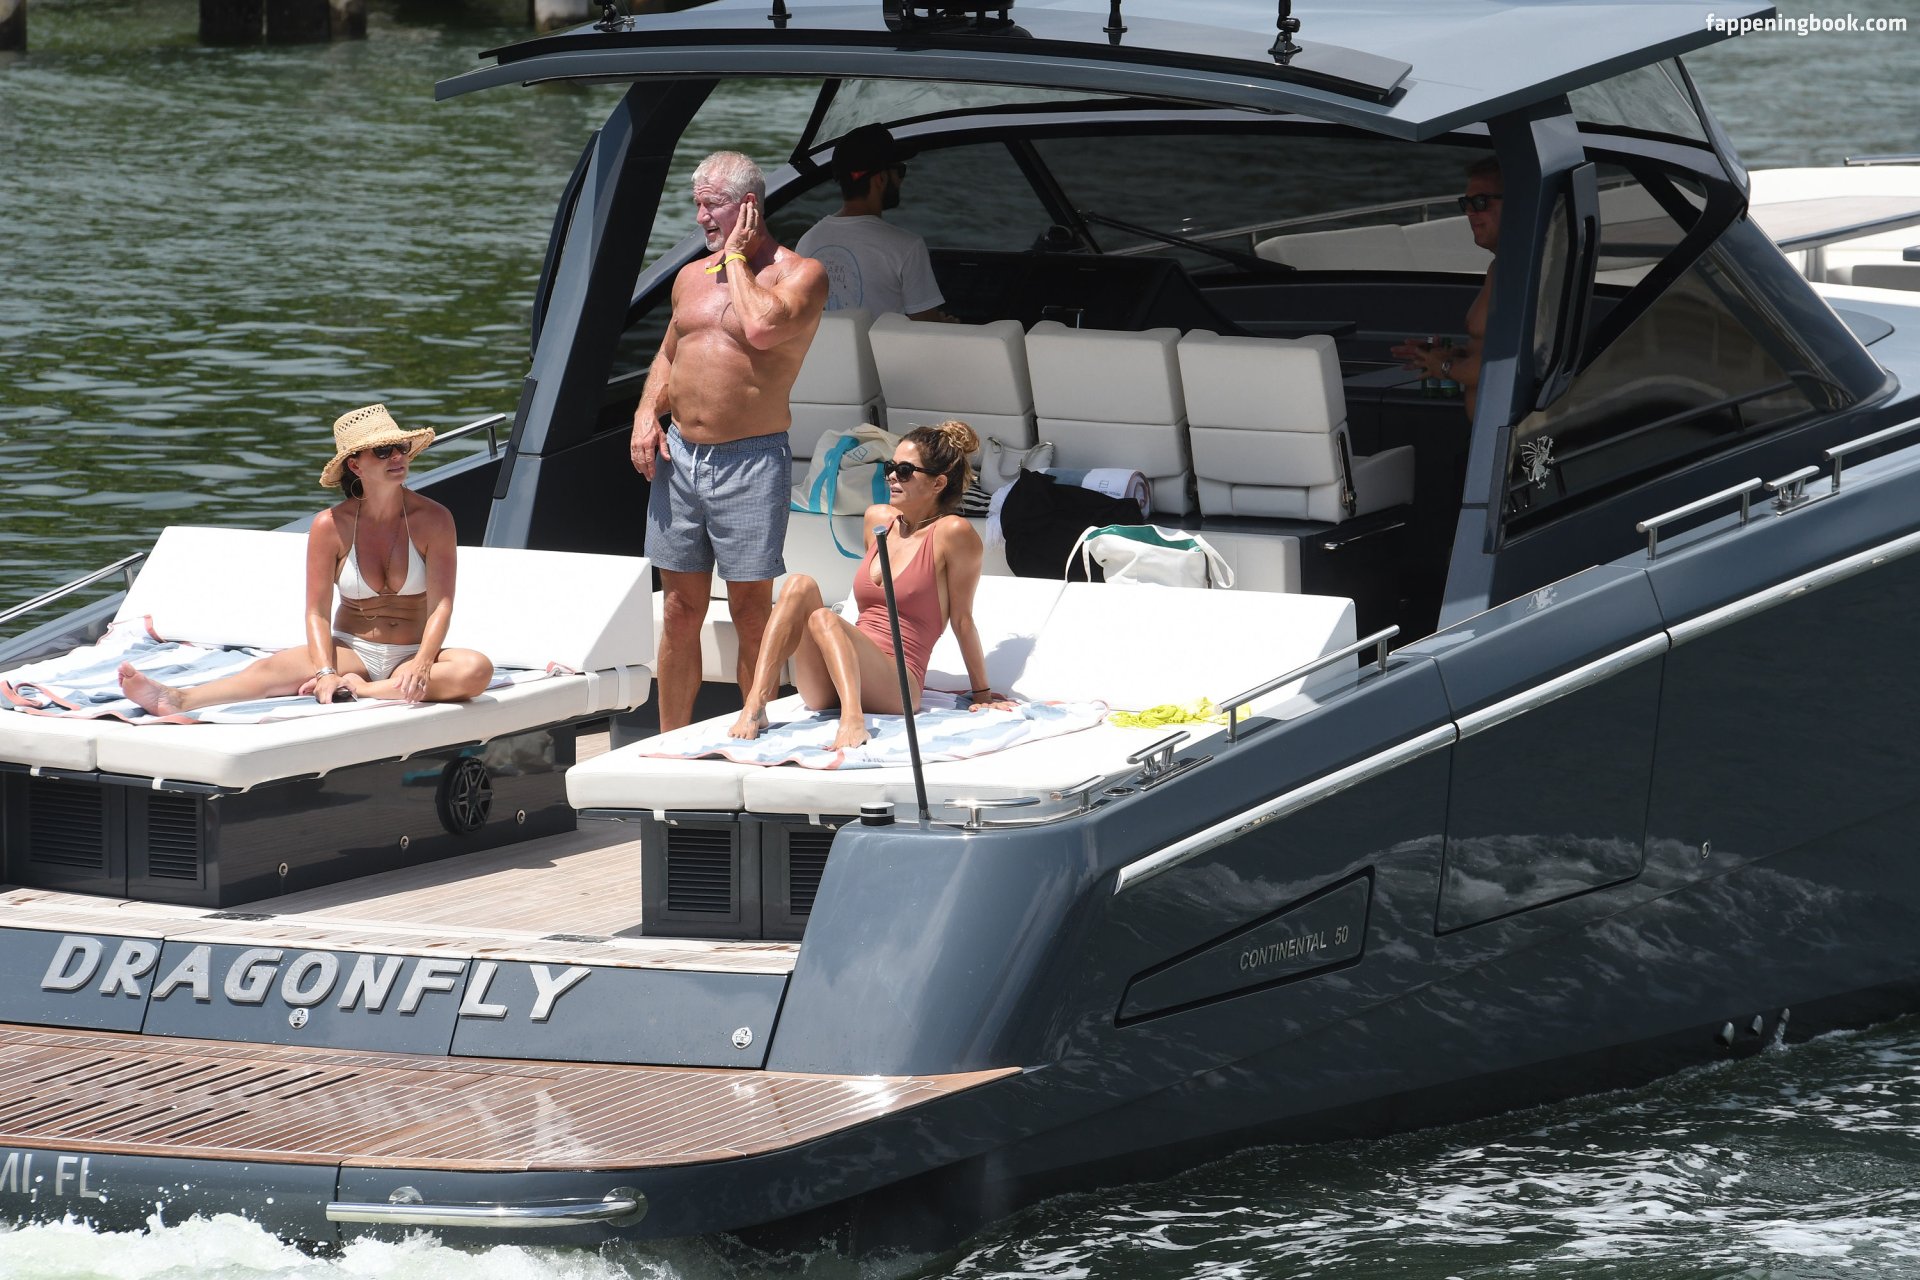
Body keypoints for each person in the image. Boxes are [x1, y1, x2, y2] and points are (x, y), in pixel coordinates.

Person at [118, 404, 494, 715]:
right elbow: (317, 611)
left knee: (476, 670)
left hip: (413, 651)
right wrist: (326, 671)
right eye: (382, 452)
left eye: (400, 447)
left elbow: (441, 603)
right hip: (351, 650)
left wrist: (424, 662)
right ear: (355, 466)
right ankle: (177, 698)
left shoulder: (434, 519)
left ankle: (365, 689)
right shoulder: (330, 525)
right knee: (268, 669)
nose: (397, 457)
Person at [630, 151, 829, 732]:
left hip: (750, 460)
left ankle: (754, 728)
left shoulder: (801, 273)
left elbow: (763, 327)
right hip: (680, 458)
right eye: (696, 204)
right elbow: (669, 353)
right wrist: (645, 413)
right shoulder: (691, 276)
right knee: (678, 607)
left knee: (749, 610)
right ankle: (669, 741)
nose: (700, 218)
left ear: (747, 207)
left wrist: (738, 258)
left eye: (712, 205)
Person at [728, 421, 1015, 751]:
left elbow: (962, 620)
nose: (891, 476)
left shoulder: (952, 533)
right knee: (798, 584)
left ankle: (853, 720)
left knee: (824, 617)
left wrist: (982, 694)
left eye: (904, 471)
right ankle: (755, 705)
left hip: (897, 686)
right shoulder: (877, 520)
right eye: (890, 467)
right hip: (833, 681)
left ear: (937, 483)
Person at [795, 124, 953, 322]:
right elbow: (925, 327)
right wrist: (945, 323)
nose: (901, 181)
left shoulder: (807, 242)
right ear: (880, 179)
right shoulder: (907, 247)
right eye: (900, 171)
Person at [1393, 156, 1501, 418]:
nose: (1470, 212)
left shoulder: (1524, 272)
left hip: (1515, 438)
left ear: (1520, 203)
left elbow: (1508, 366)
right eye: (1466, 203)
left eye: (1481, 202)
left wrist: (1444, 366)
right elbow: (1496, 349)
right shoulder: (1501, 267)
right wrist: (1453, 354)